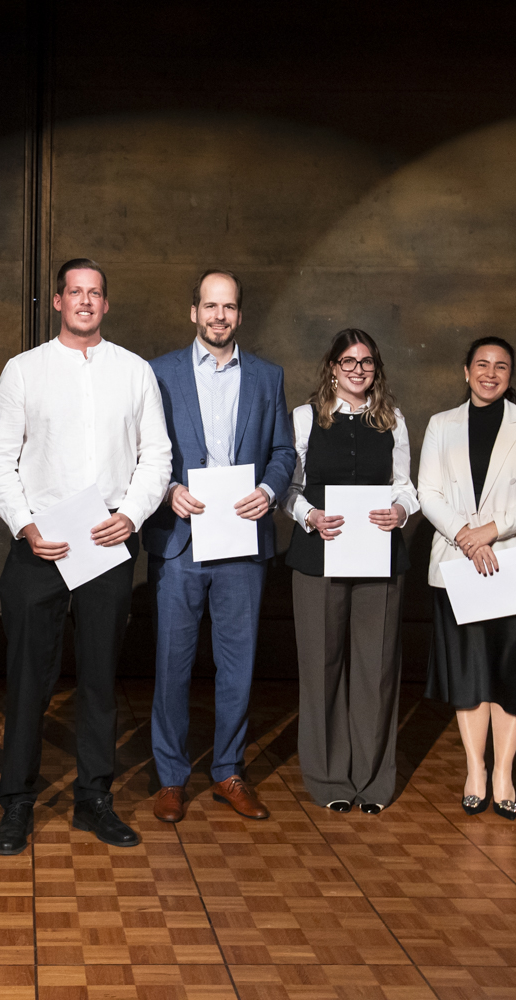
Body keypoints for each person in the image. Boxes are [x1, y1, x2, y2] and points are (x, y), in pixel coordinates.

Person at [0, 258, 173, 855]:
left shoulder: (134, 371)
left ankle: (94, 799)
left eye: (95, 293)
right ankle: (17, 802)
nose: (85, 301)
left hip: (106, 540)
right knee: (27, 681)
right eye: (75, 292)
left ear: (105, 304)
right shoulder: (24, 370)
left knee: (98, 680)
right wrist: (25, 525)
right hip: (39, 543)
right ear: (58, 301)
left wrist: (132, 514)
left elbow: (157, 455)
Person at [143, 269, 295, 824]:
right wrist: (167, 490)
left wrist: (269, 491)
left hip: (242, 538)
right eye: (210, 306)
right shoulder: (157, 373)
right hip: (180, 539)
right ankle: (170, 777)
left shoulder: (267, 376)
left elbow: (284, 451)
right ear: (194, 312)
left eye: (228, 307)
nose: (219, 316)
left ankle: (228, 770)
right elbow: (138, 449)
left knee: (237, 665)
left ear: (239, 315)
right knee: (172, 664)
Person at [417, 337, 516, 821]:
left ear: (510, 374)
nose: (490, 373)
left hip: (515, 562)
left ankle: (504, 773)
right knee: (470, 672)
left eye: (501, 366)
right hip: (459, 561)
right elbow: (428, 492)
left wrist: (490, 532)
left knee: (511, 673)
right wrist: (466, 536)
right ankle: (475, 770)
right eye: (482, 364)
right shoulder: (441, 425)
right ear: (466, 371)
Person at [282, 329, 418, 815]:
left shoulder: (393, 419)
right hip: (319, 556)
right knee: (321, 669)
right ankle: (329, 779)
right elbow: (288, 489)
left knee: (376, 671)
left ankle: (373, 781)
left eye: (366, 362)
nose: (357, 370)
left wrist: (401, 511)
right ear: (332, 367)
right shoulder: (304, 418)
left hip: (380, 557)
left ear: (376, 369)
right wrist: (310, 516)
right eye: (348, 361)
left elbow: (406, 487)